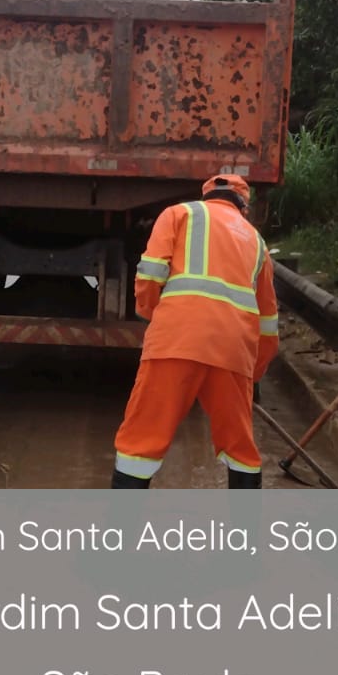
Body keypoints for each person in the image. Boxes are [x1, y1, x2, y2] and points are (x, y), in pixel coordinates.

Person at [111, 174, 279, 488]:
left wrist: (151, 314)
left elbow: (149, 273)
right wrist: (252, 373)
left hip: (176, 341)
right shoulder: (257, 243)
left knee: (140, 444)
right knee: (241, 451)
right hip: (232, 352)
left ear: (207, 196)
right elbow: (268, 322)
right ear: (244, 205)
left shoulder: (179, 214)